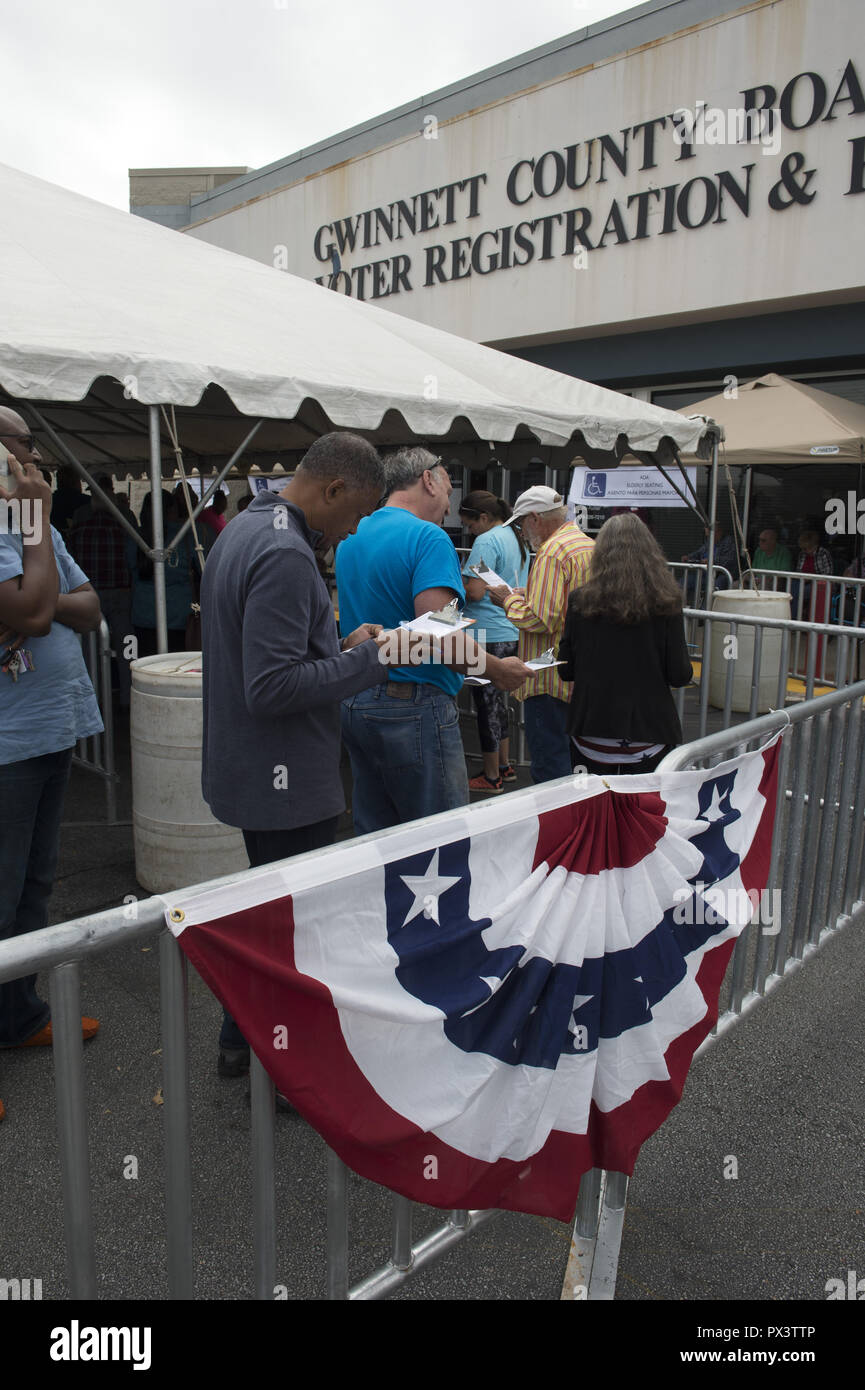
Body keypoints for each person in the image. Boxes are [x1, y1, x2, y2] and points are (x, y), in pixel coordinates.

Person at [201, 431, 422, 1080]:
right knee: (296, 937)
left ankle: (238, 1046)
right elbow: (270, 686)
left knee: (269, 926)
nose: (353, 531)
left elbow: (265, 646)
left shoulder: (248, 526)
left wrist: (335, 641)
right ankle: (289, 1077)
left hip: (253, 768)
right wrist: (370, 658)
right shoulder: (285, 551)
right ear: (332, 489)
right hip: (284, 776)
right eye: (356, 513)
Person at [336, 448, 530, 834]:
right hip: (413, 705)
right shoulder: (428, 537)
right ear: (428, 480)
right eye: (447, 487)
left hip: (356, 697)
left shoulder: (352, 536)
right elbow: (440, 636)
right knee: (439, 841)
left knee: (376, 837)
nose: (449, 504)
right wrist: (497, 670)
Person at [0, 412, 103, 1107]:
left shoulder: (32, 526)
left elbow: (87, 606)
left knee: (32, 889)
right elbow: (35, 615)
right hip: (7, 744)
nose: (32, 456)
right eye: (20, 443)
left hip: (50, 730)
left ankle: (18, 1016)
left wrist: (35, 593)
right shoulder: (29, 519)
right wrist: (35, 531)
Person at [558, 513, 693, 775]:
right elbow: (679, 674)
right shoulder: (666, 602)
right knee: (642, 814)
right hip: (649, 732)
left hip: (591, 731)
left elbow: (566, 669)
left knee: (595, 814)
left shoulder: (579, 600)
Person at [488, 485, 594, 783]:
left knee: (550, 768)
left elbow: (541, 618)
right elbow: (564, 603)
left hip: (547, 678)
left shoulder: (551, 552)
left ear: (535, 517)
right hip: (578, 674)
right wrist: (528, 593)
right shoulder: (584, 544)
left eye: (522, 522)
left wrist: (506, 599)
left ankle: (556, 827)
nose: (522, 531)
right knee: (576, 764)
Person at [459, 491, 529, 793]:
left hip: (485, 632)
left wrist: (451, 583)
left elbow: (474, 592)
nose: (470, 531)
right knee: (498, 703)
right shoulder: (514, 535)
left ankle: (490, 777)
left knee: (485, 706)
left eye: (470, 525)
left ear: (484, 518)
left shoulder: (486, 541)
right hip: (510, 630)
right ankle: (504, 765)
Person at [69, 474, 133, 708]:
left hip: (90, 593)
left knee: (90, 652)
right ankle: (129, 698)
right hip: (120, 593)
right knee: (128, 646)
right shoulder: (124, 516)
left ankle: (93, 702)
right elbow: (133, 554)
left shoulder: (80, 516)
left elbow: (71, 555)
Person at [127, 490, 199, 656]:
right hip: (179, 617)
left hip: (143, 615)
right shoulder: (186, 535)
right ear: (171, 510)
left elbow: (130, 568)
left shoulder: (134, 536)